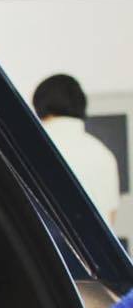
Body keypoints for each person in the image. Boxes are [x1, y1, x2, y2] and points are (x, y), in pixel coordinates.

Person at [33, 74, 120, 228]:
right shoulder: (104, 154)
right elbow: (110, 219)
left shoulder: (34, 147)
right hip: (94, 250)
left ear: (39, 105)